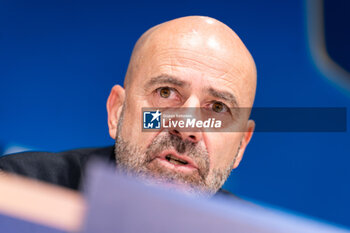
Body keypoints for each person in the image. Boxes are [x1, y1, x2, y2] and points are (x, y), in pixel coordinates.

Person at [0, 16, 256, 198]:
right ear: (117, 112)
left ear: (241, 146)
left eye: (219, 108)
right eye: (166, 93)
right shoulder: (16, 191)